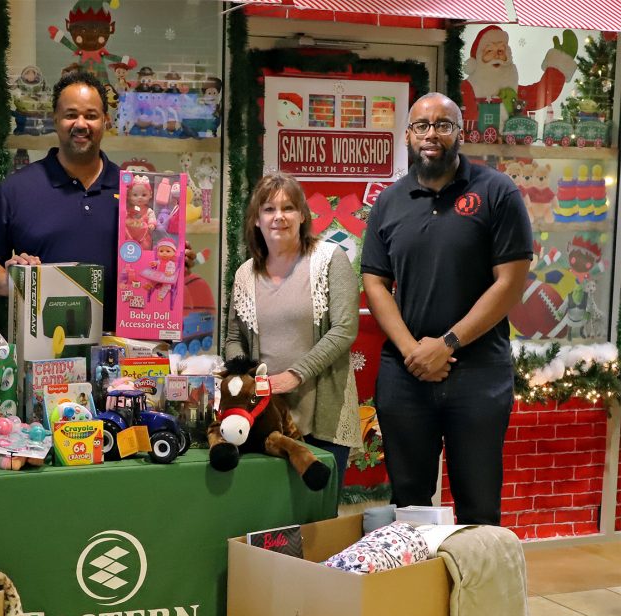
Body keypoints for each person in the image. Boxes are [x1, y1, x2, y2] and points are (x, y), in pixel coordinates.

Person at [360, 92, 531, 525]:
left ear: (460, 132)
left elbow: (509, 283)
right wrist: (413, 351)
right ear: (408, 135)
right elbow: (375, 282)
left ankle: (475, 593)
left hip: (478, 373)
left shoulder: (496, 192)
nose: (431, 134)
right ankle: (416, 593)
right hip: (405, 375)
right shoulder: (389, 201)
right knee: (409, 505)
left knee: (478, 505)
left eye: (443, 124)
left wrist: (448, 343)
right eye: (421, 125)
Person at [225, 172, 361, 487]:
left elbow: (344, 330)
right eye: (269, 209)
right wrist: (246, 377)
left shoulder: (330, 260)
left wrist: (293, 375)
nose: (279, 217)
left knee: (320, 515)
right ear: (257, 220)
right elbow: (234, 338)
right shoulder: (245, 273)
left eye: (288, 208)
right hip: (266, 419)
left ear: (302, 215)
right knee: (273, 516)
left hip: (322, 414)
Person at [0, 70, 122, 325]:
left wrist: (169, 259)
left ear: (106, 121)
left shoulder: (134, 192)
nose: (81, 124)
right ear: (55, 119)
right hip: (43, 351)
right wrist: (15, 282)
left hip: (122, 351)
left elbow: (150, 255)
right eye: (71, 115)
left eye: (91, 116)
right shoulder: (18, 189)